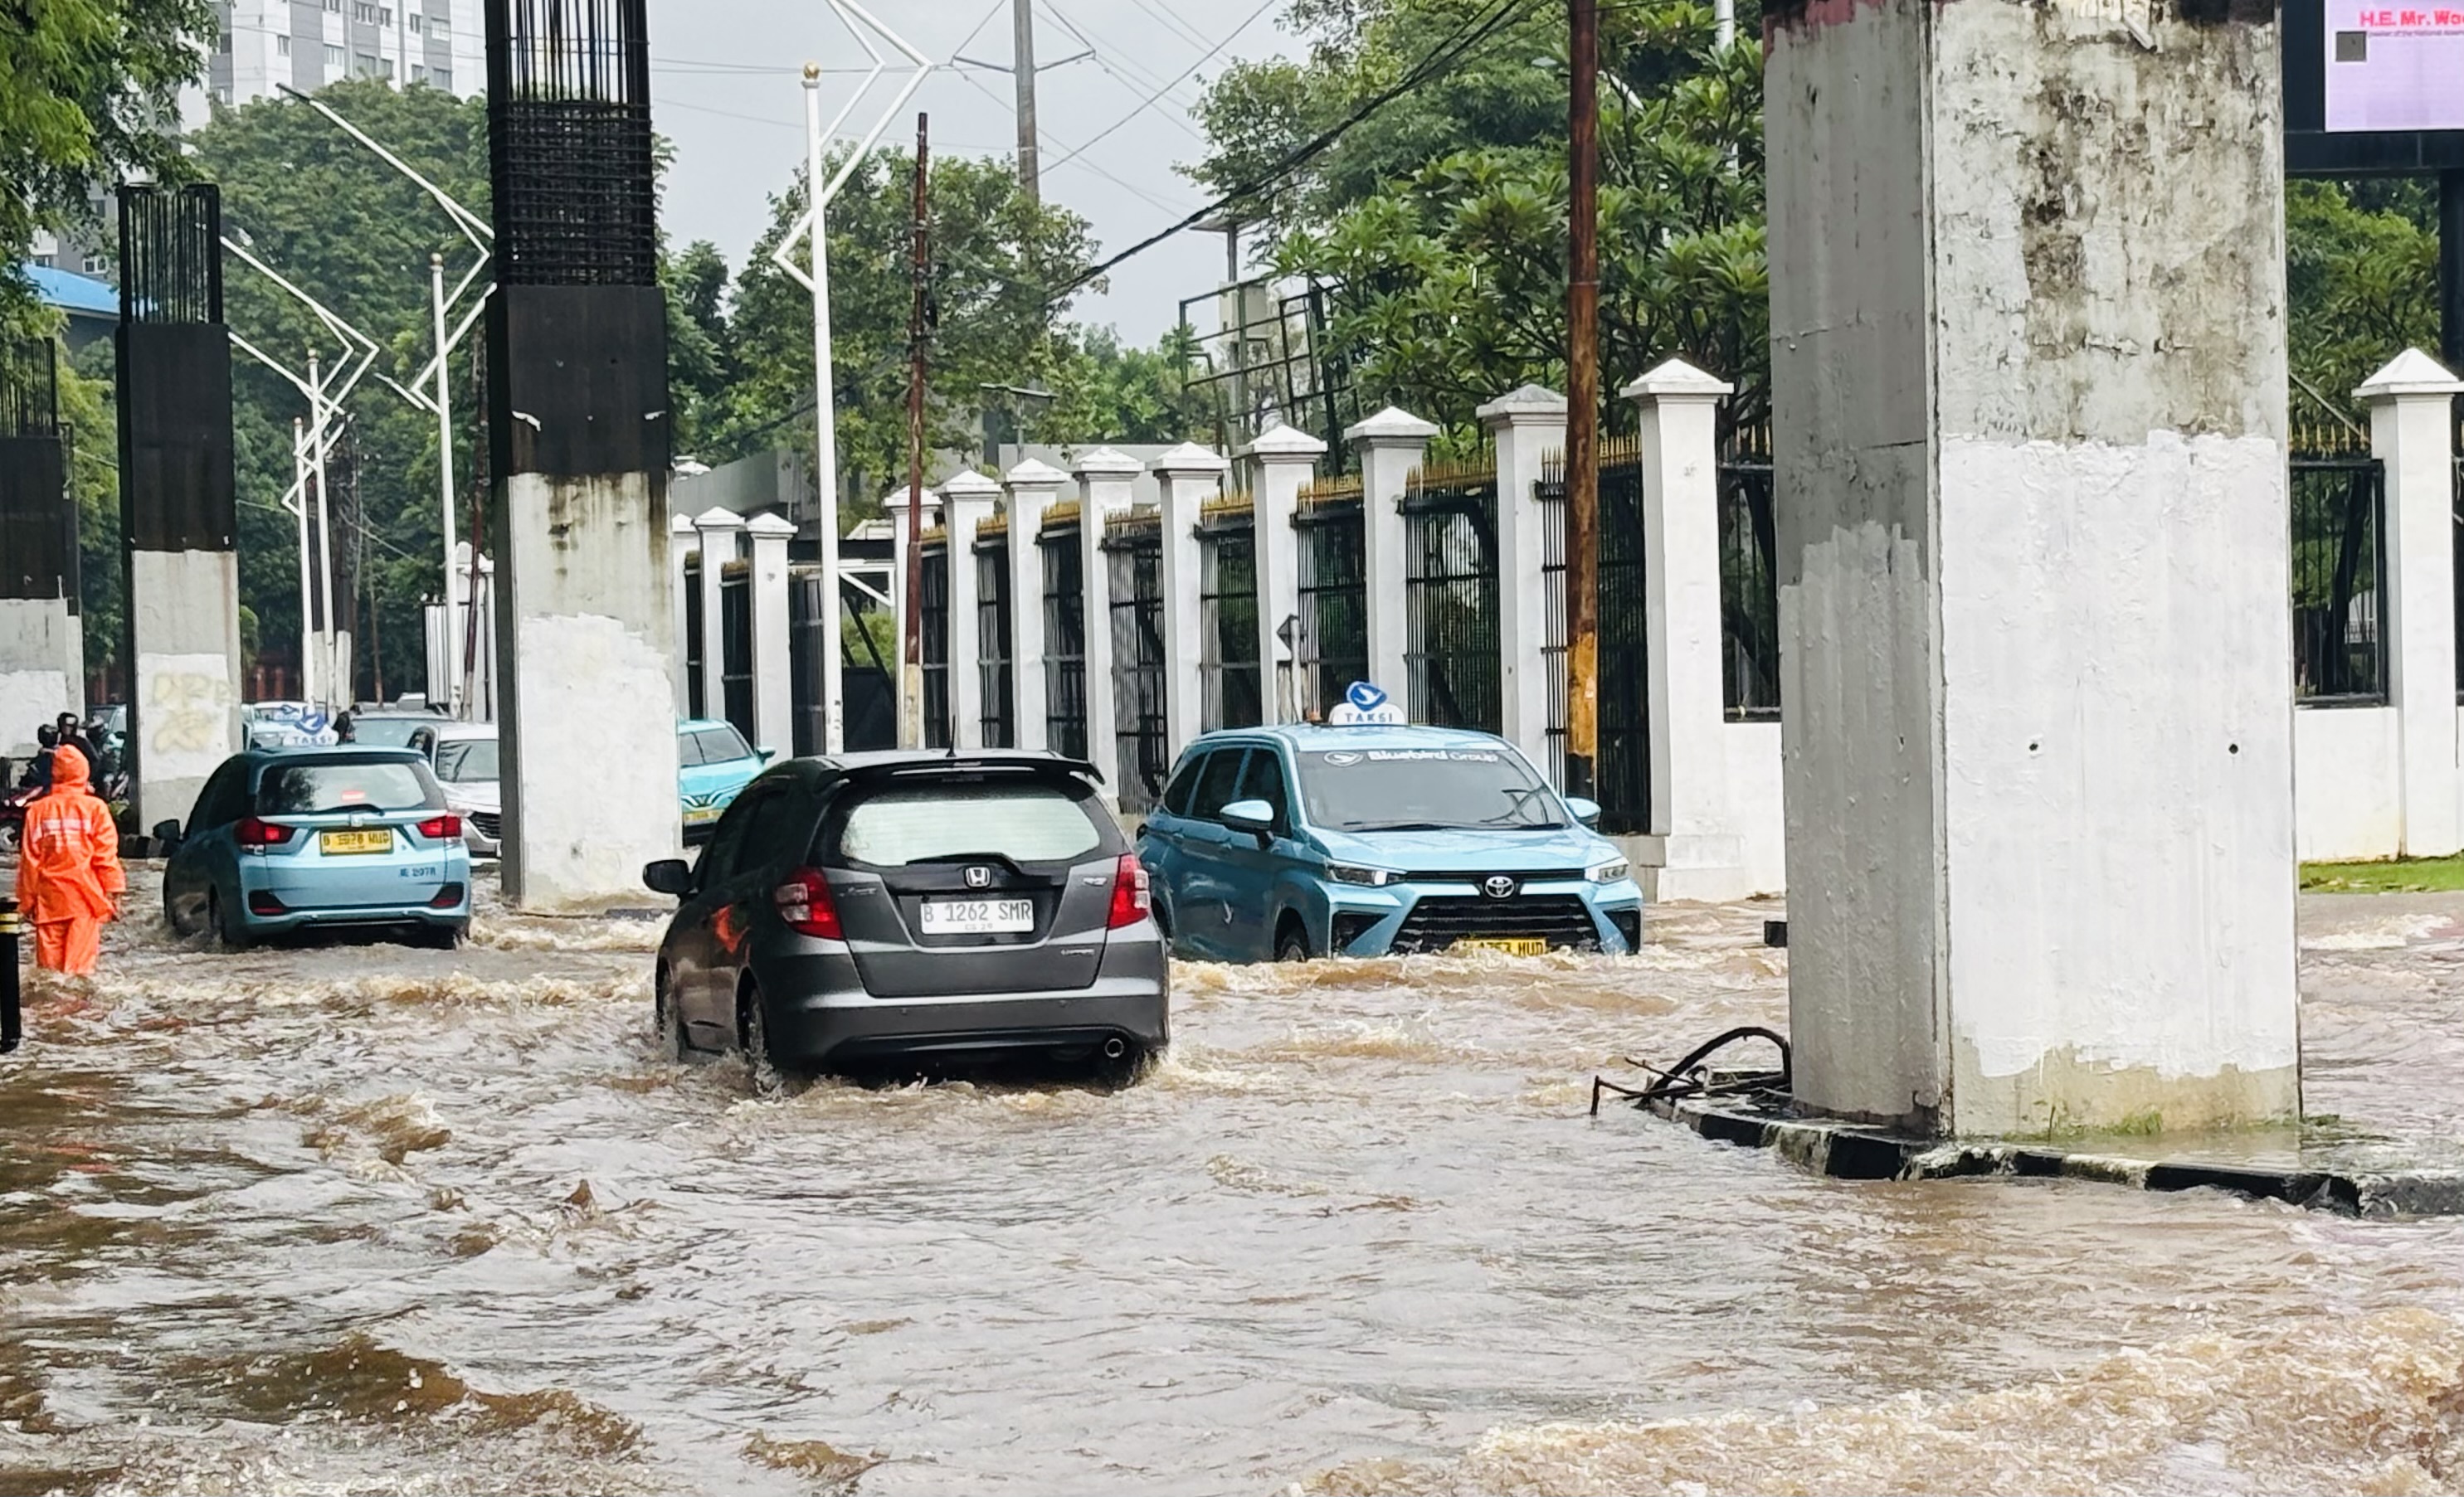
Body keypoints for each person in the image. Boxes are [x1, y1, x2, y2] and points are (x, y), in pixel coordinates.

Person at [13, 739, 124, 976]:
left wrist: (25, 904)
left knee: (49, 974)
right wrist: (114, 892)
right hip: (84, 899)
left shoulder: (37, 811)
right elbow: (105, 856)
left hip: (49, 902)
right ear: (84, 771)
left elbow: (30, 862)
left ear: (55, 773)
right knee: (78, 974)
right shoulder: (95, 809)